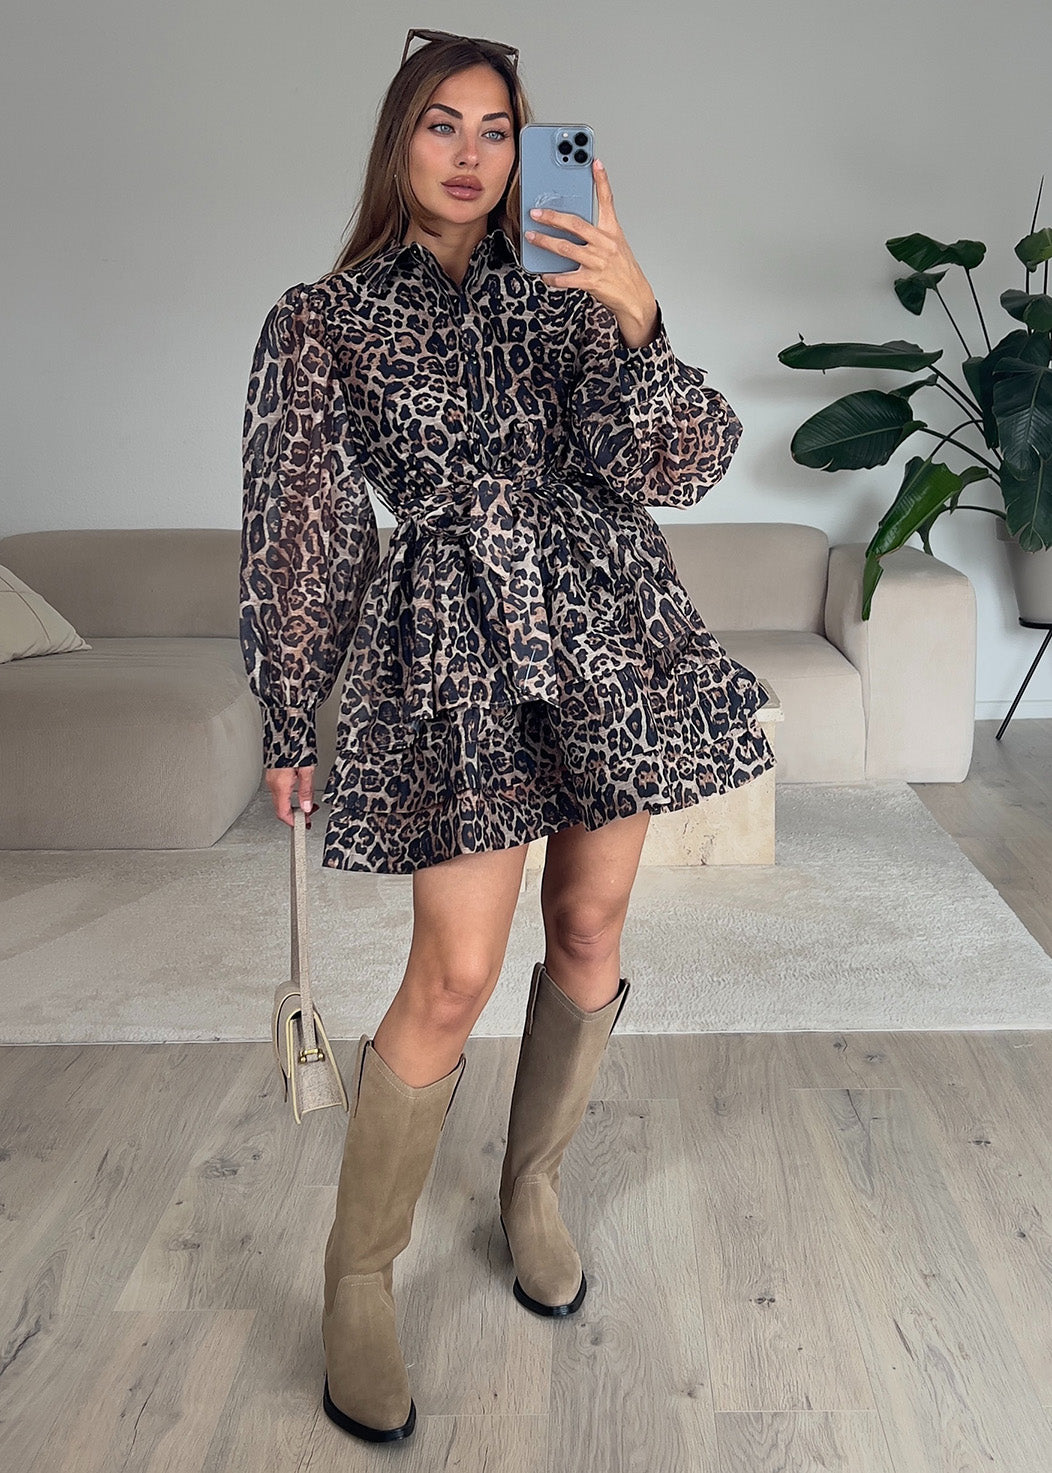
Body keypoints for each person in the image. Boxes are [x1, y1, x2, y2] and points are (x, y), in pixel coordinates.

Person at [239, 27, 776, 1445]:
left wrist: (639, 311)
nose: (471, 154)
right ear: (398, 141)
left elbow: (686, 464)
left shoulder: (570, 291)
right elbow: (302, 523)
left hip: (606, 626)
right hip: (456, 651)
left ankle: (530, 1184)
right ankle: (360, 1276)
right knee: (455, 970)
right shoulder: (325, 319)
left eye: (497, 129)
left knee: (589, 925)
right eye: (442, 124)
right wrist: (291, 705)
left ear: (529, 147)